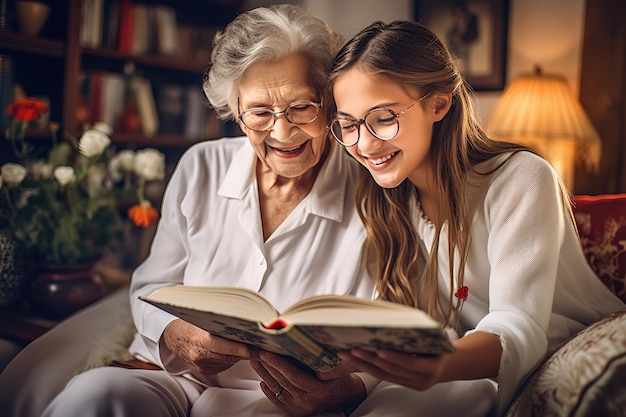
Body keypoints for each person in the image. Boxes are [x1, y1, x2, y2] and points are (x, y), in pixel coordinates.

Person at [31, 6, 494, 417]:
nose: (282, 131)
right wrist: (174, 334)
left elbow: (395, 321)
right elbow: (152, 284)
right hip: (169, 376)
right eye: (259, 112)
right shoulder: (201, 166)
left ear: (328, 101)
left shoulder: (376, 185)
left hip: (283, 399)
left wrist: (350, 390)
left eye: (300, 107)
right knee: (91, 398)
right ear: (233, 110)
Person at [327, 19, 626, 417]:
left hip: (534, 353)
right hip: (451, 364)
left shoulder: (521, 177)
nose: (364, 144)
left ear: (439, 103)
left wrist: (440, 363)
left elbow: (517, 324)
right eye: (348, 125)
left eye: (383, 118)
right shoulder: (386, 197)